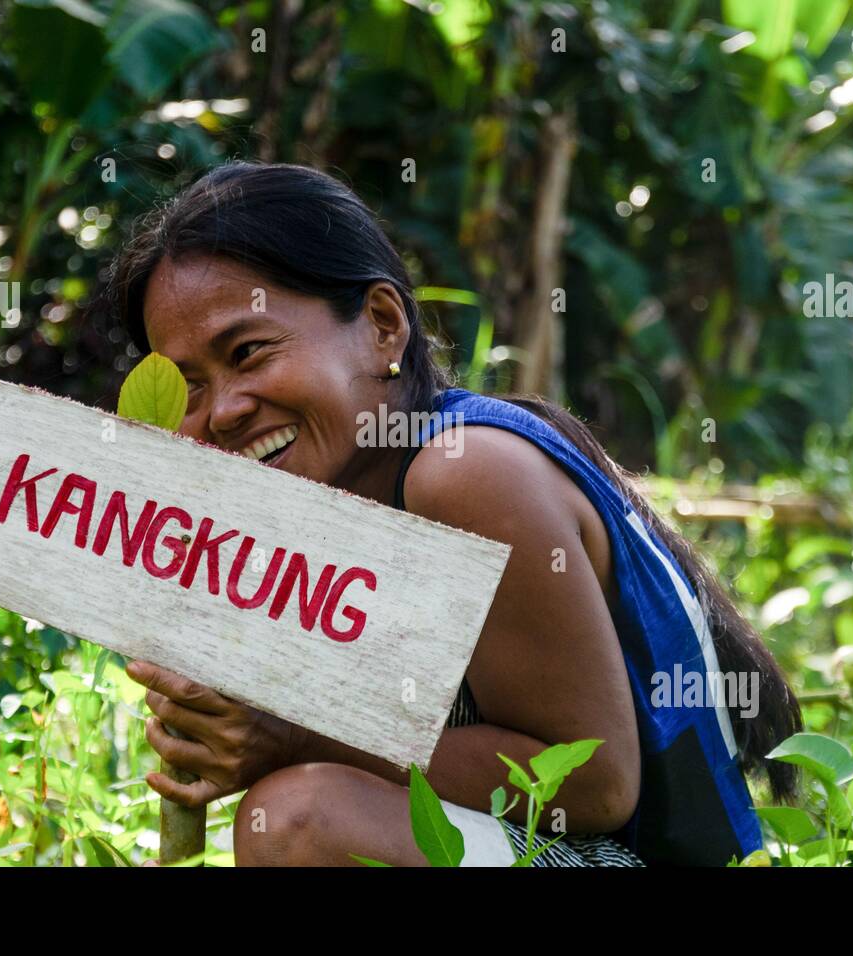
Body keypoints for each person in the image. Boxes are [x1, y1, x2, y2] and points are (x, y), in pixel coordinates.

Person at [108, 161, 802, 866]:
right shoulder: (309, 503)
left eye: (248, 352)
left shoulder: (464, 473)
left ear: (382, 325)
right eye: (189, 386)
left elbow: (596, 784)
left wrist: (296, 737)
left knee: (297, 820)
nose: (223, 411)